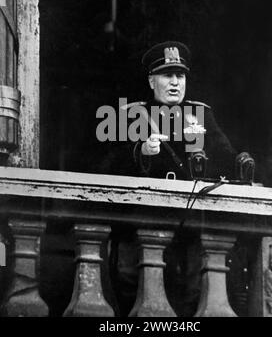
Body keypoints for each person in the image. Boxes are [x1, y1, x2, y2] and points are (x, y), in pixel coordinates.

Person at [104, 41, 255, 316]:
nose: (175, 83)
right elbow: (108, 164)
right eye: (167, 75)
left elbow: (226, 156)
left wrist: (242, 163)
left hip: (190, 226)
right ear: (152, 81)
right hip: (143, 222)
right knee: (132, 288)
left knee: (191, 291)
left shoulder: (201, 114)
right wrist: (142, 151)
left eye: (180, 76)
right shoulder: (131, 115)